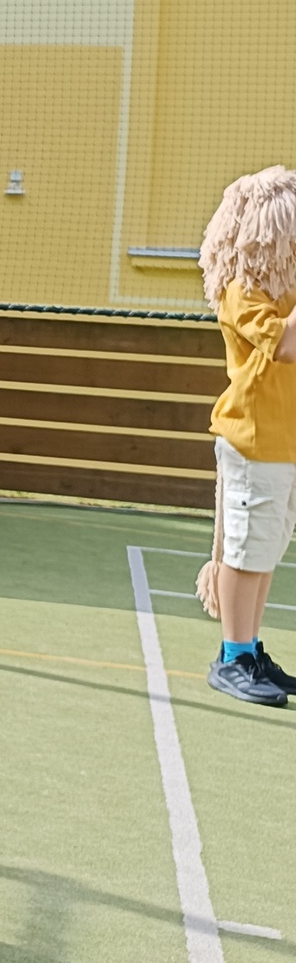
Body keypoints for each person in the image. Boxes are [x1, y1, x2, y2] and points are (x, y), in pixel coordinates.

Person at [193, 165, 296, 707]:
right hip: (253, 440)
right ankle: (232, 657)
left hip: (284, 442)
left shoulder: (283, 290)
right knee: (245, 551)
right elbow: (284, 345)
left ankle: (250, 649)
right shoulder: (242, 290)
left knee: (265, 550)